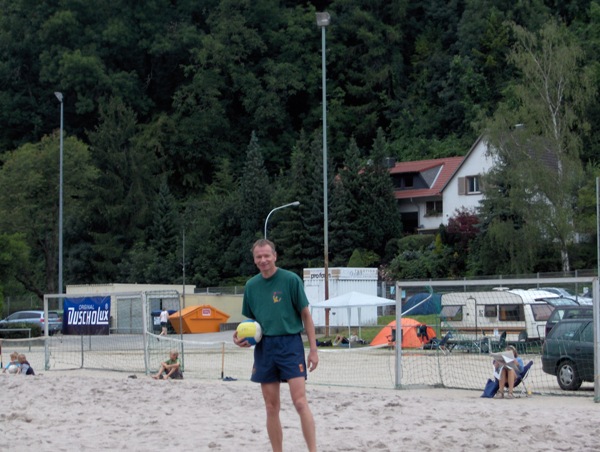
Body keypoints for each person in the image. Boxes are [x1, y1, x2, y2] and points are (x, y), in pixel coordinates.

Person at [233, 239, 318, 452]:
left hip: (290, 344)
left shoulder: (291, 280)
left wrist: (313, 350)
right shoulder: (251, 286)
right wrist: (239, 337)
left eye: (266, 255)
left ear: (275, 256)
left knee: (300, 402)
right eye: (258, 257)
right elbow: (250, 324)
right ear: (254, 260)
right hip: (265, 348)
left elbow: (306, 315)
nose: (263, 260)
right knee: (271, 407)